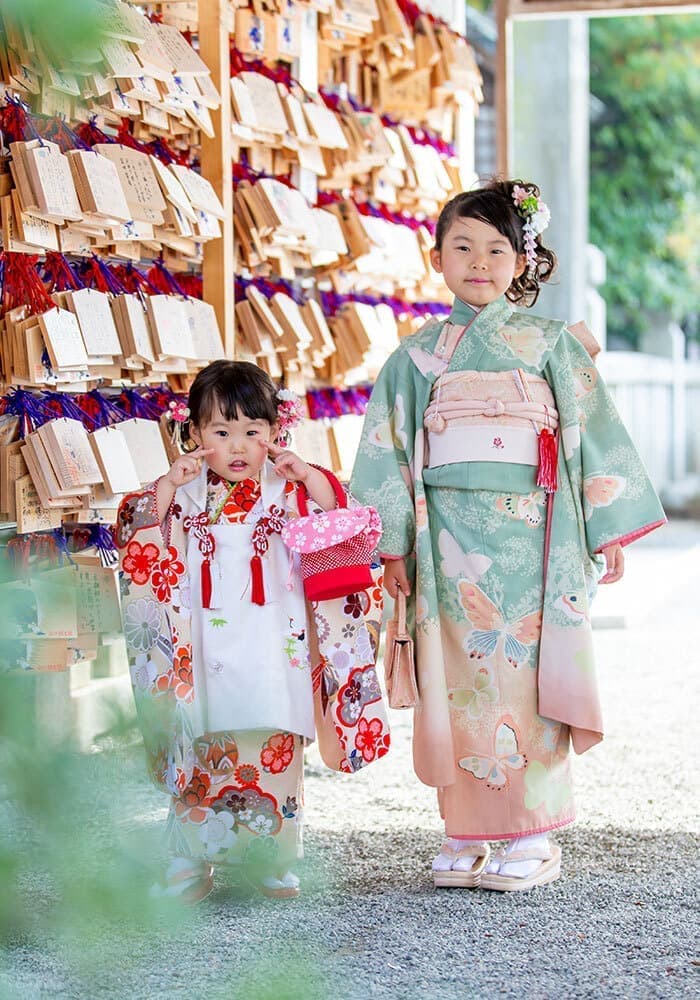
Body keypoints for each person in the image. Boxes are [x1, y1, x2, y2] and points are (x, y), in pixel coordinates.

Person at [350, 179, 665, 891]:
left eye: (497, 248)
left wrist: (604, 527)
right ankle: (465, 829)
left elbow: (591, 437)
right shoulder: (415, 359)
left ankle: (535, 834)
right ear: (436, 259)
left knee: (525, 672)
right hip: (446, 544)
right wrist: (393, 548)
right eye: (462, 246)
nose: (480, 261)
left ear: (523, 261)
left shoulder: (552, 344)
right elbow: (386, 450)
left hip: (537, 541)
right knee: (455, 678)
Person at [115, 361, 387, 902]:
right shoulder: (183, 490)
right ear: (193, 432)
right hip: (201, 648)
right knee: (198, 739)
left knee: (273, 744)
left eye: (252, 432)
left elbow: (351, 523)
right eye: (221, 432)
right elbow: (133, 532)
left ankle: (270, 856)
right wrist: (169, 483)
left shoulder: (289, 487)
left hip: (274, 645)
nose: (237, 446)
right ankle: (191, 859)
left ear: (274, 432)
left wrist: (309, 476)